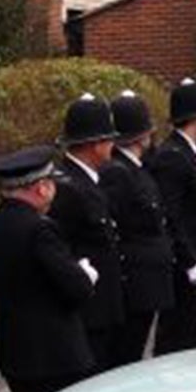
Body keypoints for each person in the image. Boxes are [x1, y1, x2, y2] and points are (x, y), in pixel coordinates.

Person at [0, 147, 96, 392]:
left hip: (15, 351)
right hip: (56, 353)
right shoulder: (40, 229)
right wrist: (85, 274)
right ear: (41, 188)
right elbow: (78, 289)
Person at [99, 90, 174, 369]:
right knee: (127, 352)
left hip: (148, 277)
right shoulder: (118, 172)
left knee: (136, 347)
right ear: (141, 135)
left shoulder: (137, 168)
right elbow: (127, 222)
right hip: (137, 278)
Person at [52, 93, 127, 366]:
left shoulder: (88, 182)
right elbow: (64, 246)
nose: (112, 146)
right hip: (90, 310)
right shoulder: (70, 188)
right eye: (109, 140)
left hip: (105, 306)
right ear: (95, 145)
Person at [149, 77, 196, 354]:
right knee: (180, 336)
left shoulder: (189, 153)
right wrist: (190, 261)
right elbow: (171, 215)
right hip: (186, 267)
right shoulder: (172, 156)